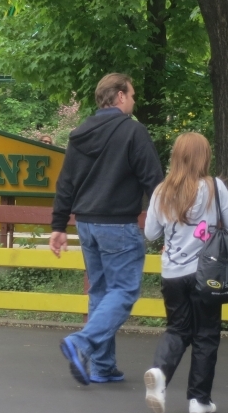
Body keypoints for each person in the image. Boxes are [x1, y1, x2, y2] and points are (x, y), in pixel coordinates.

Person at [51, 73, 164, 384]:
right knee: (124, 290)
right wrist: (168, 227)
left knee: (100, 291)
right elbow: (154, 182)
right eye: (132, 95)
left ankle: (102, 365)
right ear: (120, 96)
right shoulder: (133, 132)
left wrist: (59, 225)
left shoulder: (79, 134)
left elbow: (66, 183)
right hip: (118, 224)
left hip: (86, 224)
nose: (134, 101)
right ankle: (81, 343)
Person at [143, 132, 228, 413]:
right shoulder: (214, 187)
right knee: (206, 334)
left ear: (176, 156)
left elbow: (150, 233)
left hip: (172, 273)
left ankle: (160, 372)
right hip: (206, 273)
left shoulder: (161, 191)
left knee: (177, 329)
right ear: (204, 156)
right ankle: (199, 400)